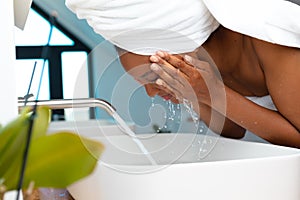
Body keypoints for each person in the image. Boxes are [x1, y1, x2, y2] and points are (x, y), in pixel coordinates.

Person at [66, 0, 300, 148]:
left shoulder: (268, 39)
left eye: (152, 76)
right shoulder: (204, 72)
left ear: (180, 47)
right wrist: (198, 94)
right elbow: (232, 130)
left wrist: (213, 93)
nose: (150, 92)